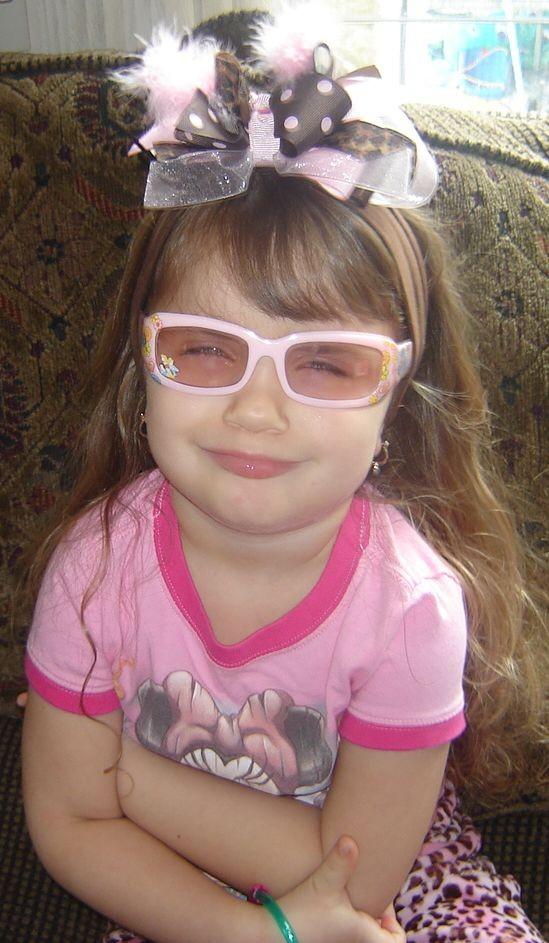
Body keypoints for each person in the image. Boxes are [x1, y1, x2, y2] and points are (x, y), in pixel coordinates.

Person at [20, 14, 546, 943]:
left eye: (327, 363)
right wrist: (252, 934)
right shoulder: (95, 569)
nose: (256, 411)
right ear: (143, 369)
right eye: (205, 349)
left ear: (395, 396)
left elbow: (355, 882)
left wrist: (120, 772)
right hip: (169, 889)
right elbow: (67, 823)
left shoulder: (411, 608)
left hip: (401, 887)